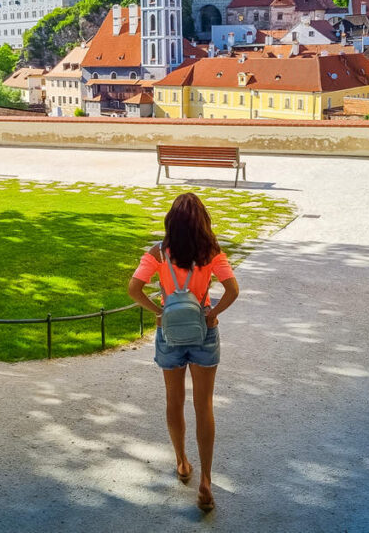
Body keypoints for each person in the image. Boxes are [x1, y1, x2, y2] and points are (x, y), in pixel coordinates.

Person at [127, 192, 240, 512]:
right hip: (203, 332)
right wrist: (212, 312)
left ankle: (181, 462)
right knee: (204, 405)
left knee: (173, 401)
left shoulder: (159, 253)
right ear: (202, 222)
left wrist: (157, 312)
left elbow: (133, 288)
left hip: (170, 334)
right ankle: (205, 479)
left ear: (171, 222)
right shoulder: (211, 252)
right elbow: (233, 290)